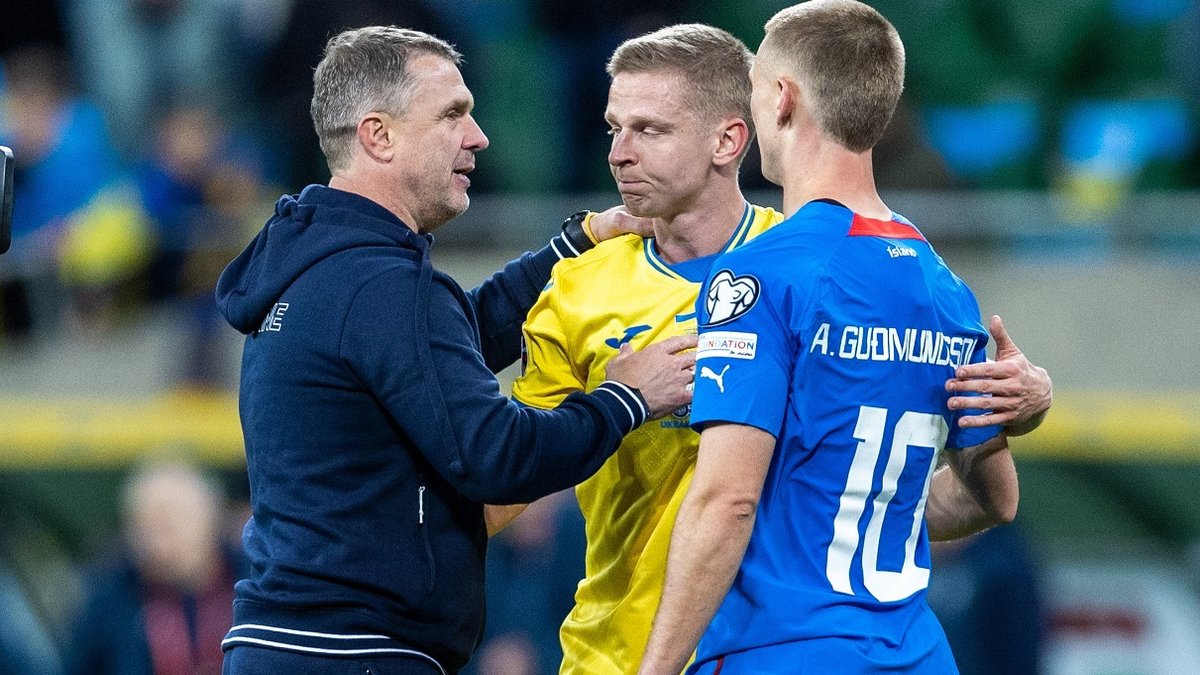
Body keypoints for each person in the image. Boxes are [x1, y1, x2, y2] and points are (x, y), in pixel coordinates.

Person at [501, 21, 1051, 675]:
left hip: (773, 650)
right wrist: (1026, 404)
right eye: (616, 128)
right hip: (914, 653)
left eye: (756, 90)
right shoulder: (941, 286)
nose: (621, 151)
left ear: (780, 100)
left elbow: (727, 502)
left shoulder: (760, 275)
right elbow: (990, 499)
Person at [214, 26, 695, 675]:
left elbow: (440, 346)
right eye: (452, 114)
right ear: (378, 136)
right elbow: (498, 456)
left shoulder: (320, 266)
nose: (478, 136)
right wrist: (625, 398)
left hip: (291, 646)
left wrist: (570, 248)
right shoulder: (382, 285)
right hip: (358, 653)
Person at [64, 461, 241, 675]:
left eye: (169, 525)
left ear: (209, 518)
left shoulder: (247, 584)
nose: (156, 541)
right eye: (146, 526)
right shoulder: (110, 599)